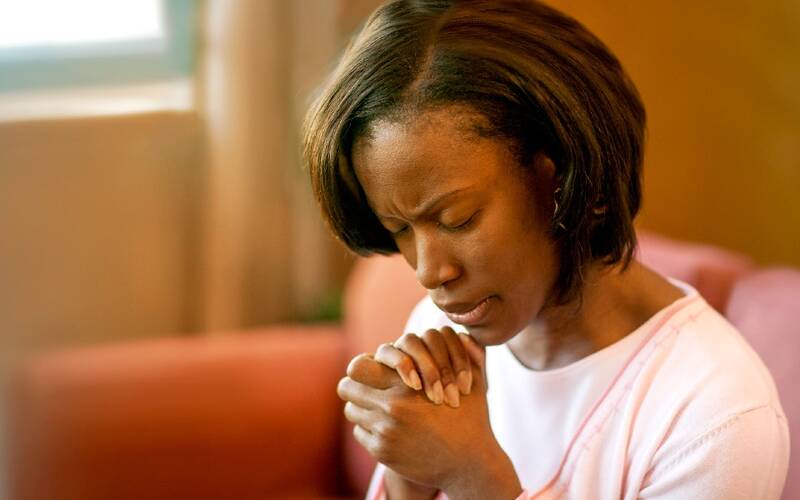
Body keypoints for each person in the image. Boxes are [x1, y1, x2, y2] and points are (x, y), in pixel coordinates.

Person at [302, 1, 790, 498]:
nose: (429, 272)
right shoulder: (439, 331)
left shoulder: (715, 418)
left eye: (458, 219)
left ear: (565, 177)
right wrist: (410, 474)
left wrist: (471, 472)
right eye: (400, 229)